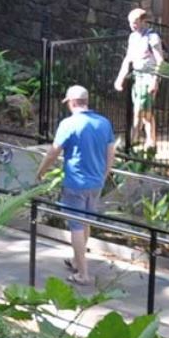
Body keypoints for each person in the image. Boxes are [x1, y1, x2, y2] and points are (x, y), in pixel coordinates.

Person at [36, 84, 116, 286]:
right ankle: (76, 260)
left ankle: (83, 273)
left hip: (75, 182)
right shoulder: (104, 123)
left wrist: (41, 171)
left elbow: (54, 151)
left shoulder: (69, 124)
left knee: (76, 226)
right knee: (86, 221)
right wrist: (104, 174)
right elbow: (110, 152)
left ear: (71, 102)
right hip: (96, 181)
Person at [113, 7, 165, 150]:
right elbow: (128, 59)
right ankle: (151, 142)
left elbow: (160, 61)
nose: (132, 25)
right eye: (130, 22)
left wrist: (155, 80)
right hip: (137, 76)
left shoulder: (152, 37)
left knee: (140, 110)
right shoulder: (133, 37)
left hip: (148, 77)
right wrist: (120, 78)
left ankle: (132, 141)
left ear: (144, 21)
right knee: (145, 112)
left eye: (135, 22)